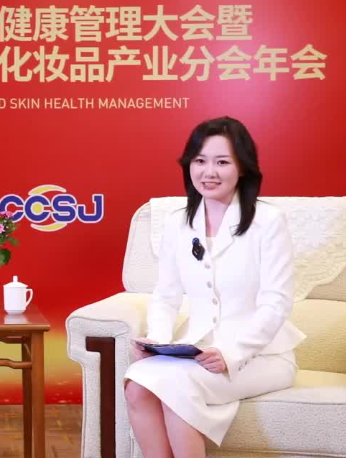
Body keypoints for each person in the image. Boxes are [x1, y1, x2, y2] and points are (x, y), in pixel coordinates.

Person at [124, 116, 306, 457]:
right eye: (200, 161)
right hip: (198, 350)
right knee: (137, 384)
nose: (209, 172)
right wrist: (158, 340)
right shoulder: (178, 223)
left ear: (242, 168)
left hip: (262, 357)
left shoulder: (268, 221)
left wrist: (231, 353)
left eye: (222, 162)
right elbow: (166, 294)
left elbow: (276, 302)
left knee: (175, 389)